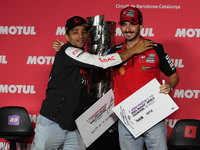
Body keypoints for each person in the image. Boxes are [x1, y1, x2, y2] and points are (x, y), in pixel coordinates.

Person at [32, 15, 154, 150]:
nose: (81, 35)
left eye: (84, 32)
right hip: (52, 123)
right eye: (75, 32)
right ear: (66, 37)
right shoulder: (67, 51)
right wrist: (133, 50)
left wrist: (114, 103)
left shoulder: (76, 57)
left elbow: (80, 94)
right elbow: (100, 62)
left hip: (73, 127)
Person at [107, 7, 179, 150]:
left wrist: (169, 86)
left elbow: (174, 75)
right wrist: (67, 48)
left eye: (132, 24)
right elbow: (94, 64)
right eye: (124, 24)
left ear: (141, 25)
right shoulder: (114, 52)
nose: (127, 29)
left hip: (154, 116)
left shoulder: (156, 48)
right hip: (126, 118)